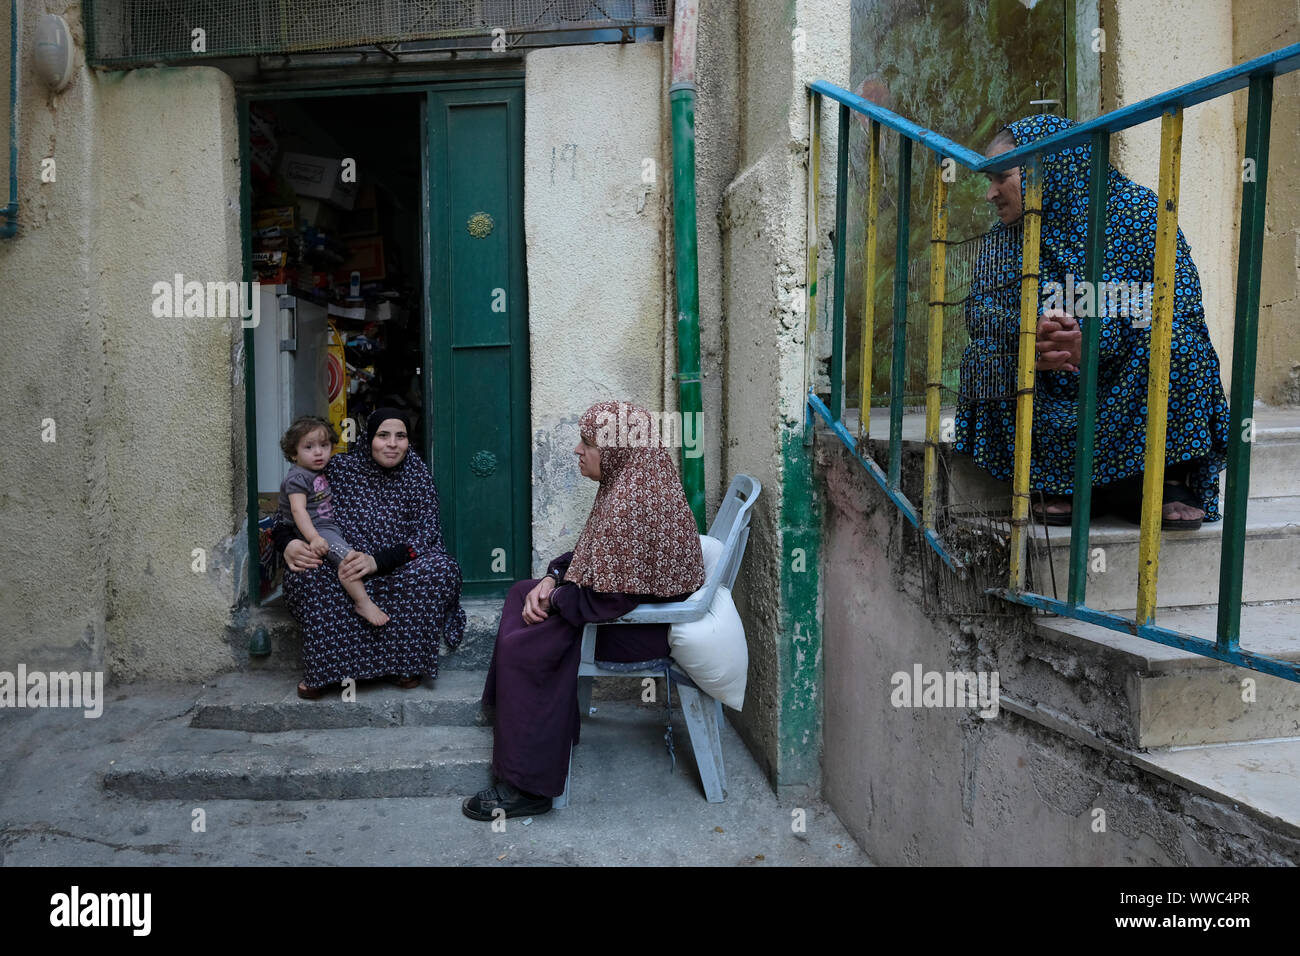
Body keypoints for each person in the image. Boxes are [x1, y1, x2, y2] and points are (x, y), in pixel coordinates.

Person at [955, 113, 1231, 530]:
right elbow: (979, 313)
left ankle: (1166, 478)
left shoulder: (1138, 214)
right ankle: (1053, 479)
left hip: (1122, 381)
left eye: (1000, 177)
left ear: (1050, 166)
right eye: (988, 180)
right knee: (984, 356)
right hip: (1048, 379)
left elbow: (1179, 306)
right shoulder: (1004, 236)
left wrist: (1095, 345)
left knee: (1181, 343)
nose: (991, 192)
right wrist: (1032, 335)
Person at [461, 399, 706, 821]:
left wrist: (555, 598)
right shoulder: (631, 480)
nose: (578, 450)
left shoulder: (633, 503)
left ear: (614, 449)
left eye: (588, 443)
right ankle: (520, 719)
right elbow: (593, 559)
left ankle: (528, 786)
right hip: (623, 608)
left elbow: (608, 600)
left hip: (637, 629)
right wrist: (553, 579)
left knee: (527, 647)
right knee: (522, 592)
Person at [274, 407, 466, 699]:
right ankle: (322, 672)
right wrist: (288, 543)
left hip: (395, 567)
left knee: (440, 569)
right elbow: (287, 515)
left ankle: (405, 664)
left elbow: (426, 536)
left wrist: (377, 561)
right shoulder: (337, 469)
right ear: (368, 440)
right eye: (383, 435)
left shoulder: (417, 475)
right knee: (307, 574)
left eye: (400, 436)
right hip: (341, 563)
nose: (392, 444)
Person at [277, 416, 389, 627]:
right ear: (293, 454)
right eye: (309, 447)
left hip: (327, 528)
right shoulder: (297, 478)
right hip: (318, 531)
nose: (318, 452)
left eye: (324, 445)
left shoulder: (316, 471)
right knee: (349, 562)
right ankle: (362, 602)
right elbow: (297, 510)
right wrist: (314, 538)